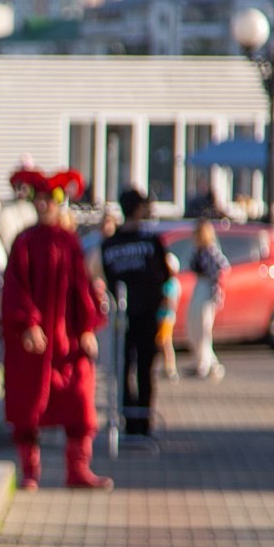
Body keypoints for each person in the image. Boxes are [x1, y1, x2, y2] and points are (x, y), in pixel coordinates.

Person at [1, 172, 111, 490]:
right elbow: (14, 289)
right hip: (35, 344)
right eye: (39, 200)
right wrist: (27, 323)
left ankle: (78, 470)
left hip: (66, 342)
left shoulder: (69, 242)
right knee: (27, 405)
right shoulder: (24, 242)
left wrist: (87, 327)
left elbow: (80, 288)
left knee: (79, 401)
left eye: (49, 200)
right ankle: (29, 472)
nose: (44, 205)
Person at [98, 187, 176, 438]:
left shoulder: (110, 244)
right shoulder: (150, 242)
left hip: (126, 316)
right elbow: (165, 276)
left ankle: (132, 421)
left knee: (125, 369)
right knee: (142, 369)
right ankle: (141, 422)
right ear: (139, 209)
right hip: (139, 315)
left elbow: (107, 277)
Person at [185, 220, 229, 380]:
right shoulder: (198, 251)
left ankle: (205, 364)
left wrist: (216, 290)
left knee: (203, 327)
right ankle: (204, 361)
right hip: (199, 287)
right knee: (194, 326)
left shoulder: (211, 251)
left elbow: (222, 267)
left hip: (207, 289)